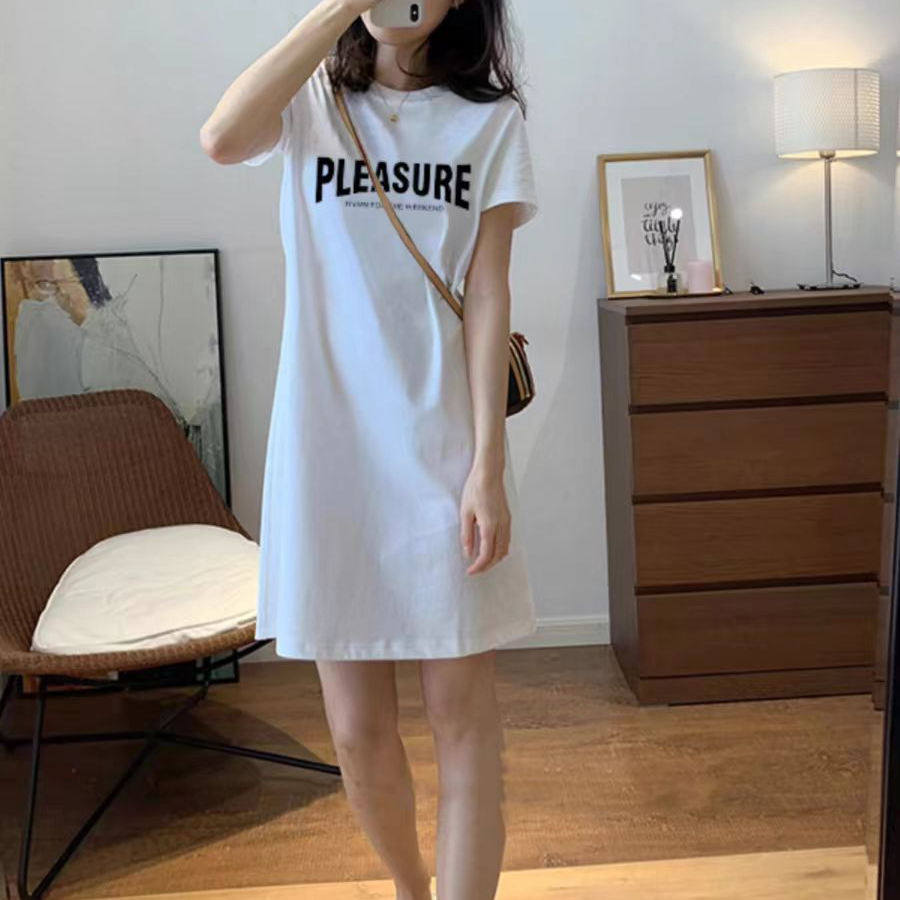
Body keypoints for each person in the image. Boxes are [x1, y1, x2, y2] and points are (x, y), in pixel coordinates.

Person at [200, 2, 539, 897]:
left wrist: (487, 469)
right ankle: (410, 887)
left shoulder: (488, 121)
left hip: (443, 453)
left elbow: (488, 297)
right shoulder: (311, 101)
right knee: (354, 730)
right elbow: (222, 139)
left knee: (465, 723)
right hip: (328, 459)